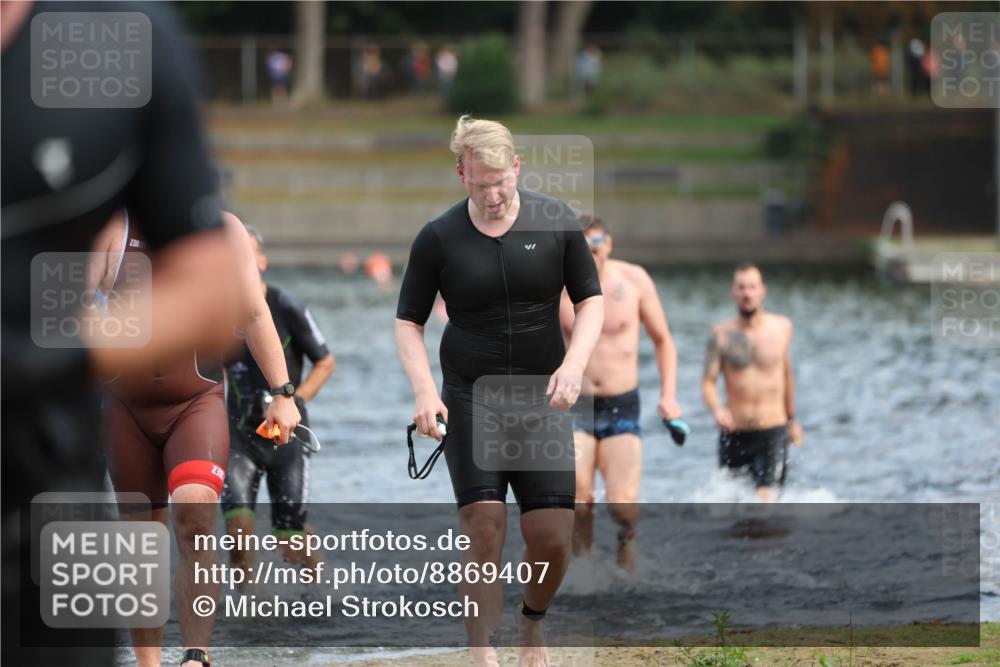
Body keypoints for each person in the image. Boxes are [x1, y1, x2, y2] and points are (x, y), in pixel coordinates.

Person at [1, 3, 245, 666]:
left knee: (188, 517)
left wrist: (58, 354)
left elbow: (217, 289)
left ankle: (193, 656)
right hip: (117, 417)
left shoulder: (123, 37)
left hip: (41, 494)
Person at [396, 115, 604, 667]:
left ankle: (530, 621)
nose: (492, 195)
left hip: (541, 398)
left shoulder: (554, 221)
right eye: (480, 184)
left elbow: (591, 301)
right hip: (471, 396)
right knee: (484, 526)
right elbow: (408, 322)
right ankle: (482, 649)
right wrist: (425, 392)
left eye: (501, 182)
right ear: (460, 174)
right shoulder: (439, 237)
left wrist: (574, 365)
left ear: (517, 167)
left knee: (553, 536)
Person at [97, 210, 301, 667]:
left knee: (195, 513)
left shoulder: (221, 228)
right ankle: (148, 662)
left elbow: (253, 311)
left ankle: (196, 655)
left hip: (195, 401)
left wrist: (283, 393)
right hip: (125, 409)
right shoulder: (112, 226)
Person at [559, 216, 680, 571]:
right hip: (575, 406)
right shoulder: (556, 287)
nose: (590, 253)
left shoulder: (634, 280)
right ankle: (585, 571)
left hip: (622, 405)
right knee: (580, 501)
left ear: (608, 244)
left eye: (596, 245)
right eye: (582, 247)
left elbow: (663, 341)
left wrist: (669, 395)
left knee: (622, 505)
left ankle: (626, 541)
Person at [222, 226, 335, 575]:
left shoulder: (287, 307)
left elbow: (325, 362)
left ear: (261, 262)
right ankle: (247, 600)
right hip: (239, 434)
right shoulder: (217, 310)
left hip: (286, 433)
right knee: (238, 530)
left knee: (291, 542)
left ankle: (323, 586)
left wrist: (295, 400)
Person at [701, 263, 804, 502]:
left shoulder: (782, 328)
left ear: (762, 291)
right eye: (741, 287)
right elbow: (708, 382)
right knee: (734, 506)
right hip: (734, 433)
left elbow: (786, 375)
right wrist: (717, 410)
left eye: (752, 287)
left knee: (765, 501)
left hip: (772, 431)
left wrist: (792, 420)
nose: (747, 293)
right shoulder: (721, 334)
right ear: (733, 292)